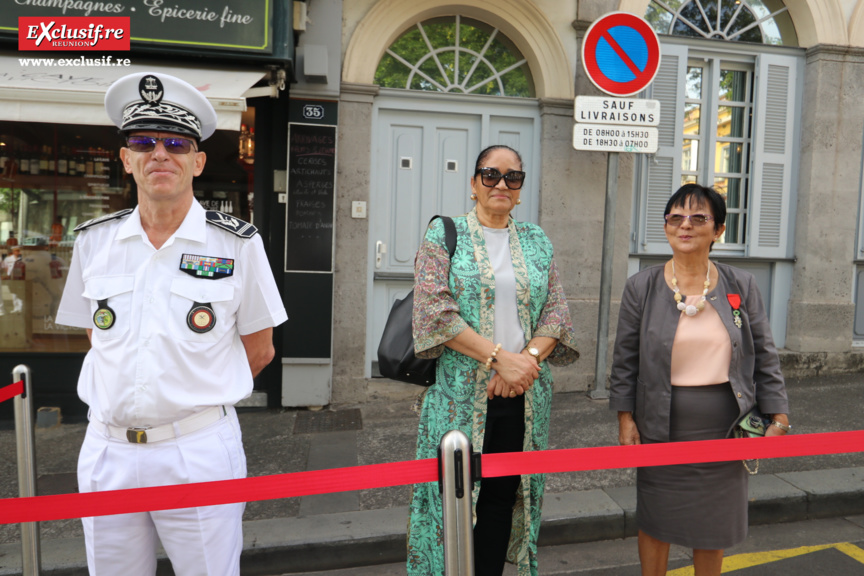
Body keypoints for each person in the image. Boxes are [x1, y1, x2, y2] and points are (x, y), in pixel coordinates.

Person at [56, 72, 287, 576]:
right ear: (126, 158)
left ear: (197, 161)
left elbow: (261, 347)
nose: (160, 153)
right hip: (108, 451)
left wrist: (190, 393)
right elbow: (96, 337)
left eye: (176, 143)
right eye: (143, 141)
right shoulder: (94, 242)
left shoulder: (237, 245)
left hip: (196, 450)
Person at [407, 145, 579, 576]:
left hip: (524, 396)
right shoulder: (444, 235)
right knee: (452, 503)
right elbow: (435, 312)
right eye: (490, 175)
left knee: (504, 498)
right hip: (459, 400)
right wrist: (501, 359)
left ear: (520, 189)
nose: (501, 184)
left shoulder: (537, 240)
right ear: (473, 185)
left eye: (512, 178)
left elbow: (556, 313)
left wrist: (525, 362)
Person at [609, 183, 791, 576]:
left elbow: (764, 355)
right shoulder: (642, 286)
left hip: (725, 425)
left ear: (719, 229)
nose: (685, 226)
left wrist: (778, 415)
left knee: (713, 526)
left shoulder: (740, 284)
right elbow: (624, 360)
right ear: (666, 227)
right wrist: (625, 417)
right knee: (656, 520)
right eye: (675, 217)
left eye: (698, 218)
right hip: (660, 422)